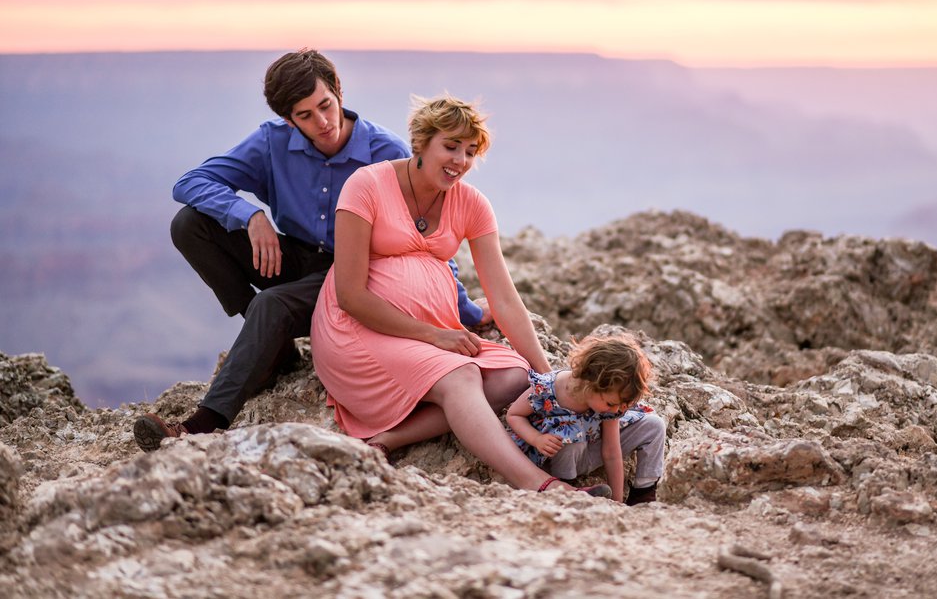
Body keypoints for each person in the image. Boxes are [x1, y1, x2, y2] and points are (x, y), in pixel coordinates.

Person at [133, 49, 488, 452]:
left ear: (339, 91)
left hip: (351, 274)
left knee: (272, 305)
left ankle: (200, 426)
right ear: (289, 119)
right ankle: (274, 351)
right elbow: (190, 183)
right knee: (189, 225)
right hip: (291, 258)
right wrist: (250, 215)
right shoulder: (272, 142)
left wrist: (467, 312)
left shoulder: (385, 153)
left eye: (326, 105)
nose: (322, 122)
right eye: (305, 115)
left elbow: (426, 241)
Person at [310, 94, 612, 497]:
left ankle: (389, 437)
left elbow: (503, 299)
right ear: (421, 142)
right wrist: (436, 336)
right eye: (450, 146)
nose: (460, 161)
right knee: (462, 375)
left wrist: (546, 377)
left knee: (514, 376)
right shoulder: (366, 185)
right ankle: (541, 486)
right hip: (358, 333)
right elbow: (350, 295)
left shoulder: (471, 204)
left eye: (470, 152)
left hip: (428, 338)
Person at [505, 334, 666, 505]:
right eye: (611, 404)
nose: (616, 410)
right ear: (590, 383)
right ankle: (566, 489)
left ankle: (644, 491)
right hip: (556, 456)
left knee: (655, 425)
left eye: (620, 406)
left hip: (590, 450)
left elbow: (611, 452)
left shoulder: (609, 405)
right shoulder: (548, 387)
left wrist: (617, 502)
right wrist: (536, 439)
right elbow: (514, 415)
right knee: (570, 434)